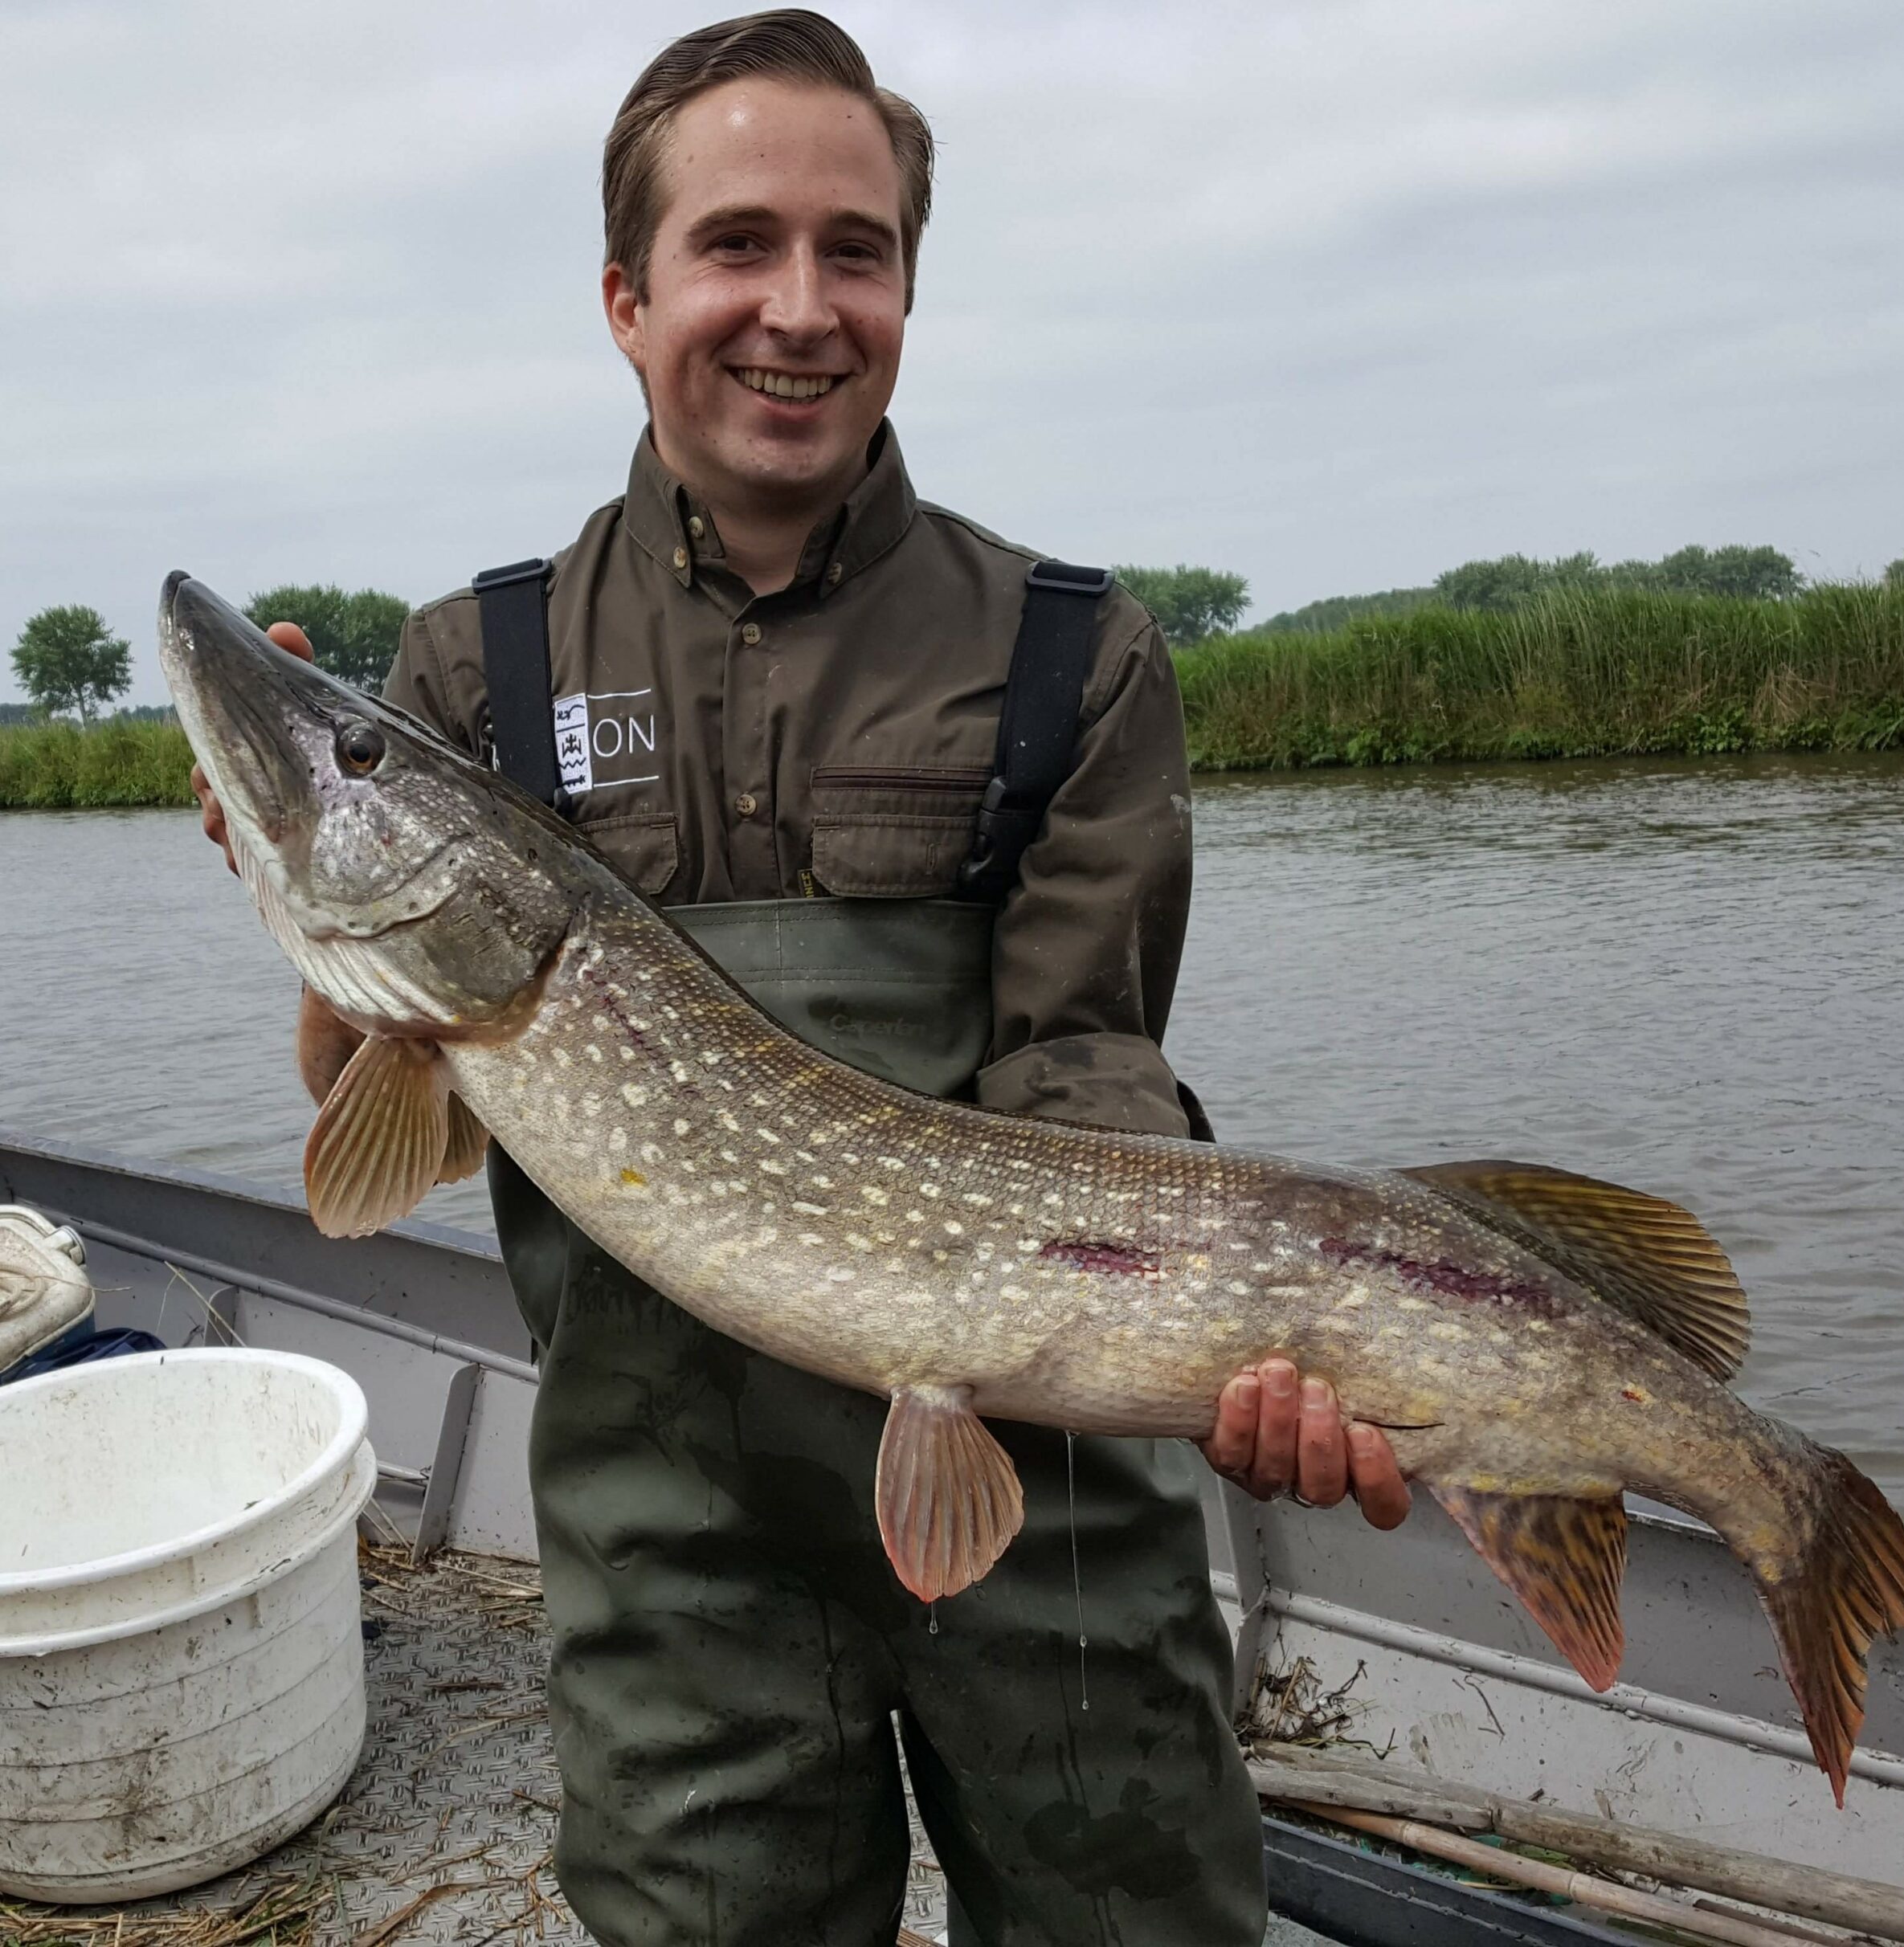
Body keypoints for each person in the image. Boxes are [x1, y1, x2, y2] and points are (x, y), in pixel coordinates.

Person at [195, 14, 1408, 1943]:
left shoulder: (1068, 656)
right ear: (627, 294)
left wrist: (1220, 1345)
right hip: (673, 1527)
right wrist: (311, 875)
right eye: (735, 244)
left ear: (907, 287)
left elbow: (1083, 1061)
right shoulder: (464, 677)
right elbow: (367, 1118)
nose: (798, 306)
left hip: (1045, 1480)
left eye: (855, 250)